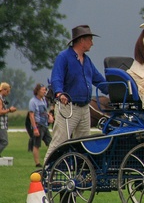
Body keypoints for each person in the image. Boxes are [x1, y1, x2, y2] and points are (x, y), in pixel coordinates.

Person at [44, 25, 108, 162]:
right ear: (82, 40)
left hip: (84, 108)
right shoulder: (64, 57)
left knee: (84, 145)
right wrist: (60, 94)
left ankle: (81, 176)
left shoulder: (87, 61)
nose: (92, 43)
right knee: (59, 142)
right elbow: (56, 78)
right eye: (90, 39)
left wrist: (115, 90)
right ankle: (46, 173)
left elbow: (99, 81)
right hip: (68, 107)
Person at [28, 84, 53, 167]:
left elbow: (46, 111)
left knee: (51, 143)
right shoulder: (33, 101)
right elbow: (31, 115)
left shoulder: (43, 100)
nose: (44, 91)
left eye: (45, 90)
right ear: (38, 91)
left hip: (45, 125)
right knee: (37, 145)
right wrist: (35, 128)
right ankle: (37, 163)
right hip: (38, 125)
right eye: (43, 90)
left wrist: (49, 116)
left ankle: (51, 161)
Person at [0, 82, 17, 157]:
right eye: (7, 91)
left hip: (3, 123)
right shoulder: (0, 99)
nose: (8, 93)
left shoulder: (2, 99)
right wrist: (9, 110)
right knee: (4, 141)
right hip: (0, 124)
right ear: (3, 90)